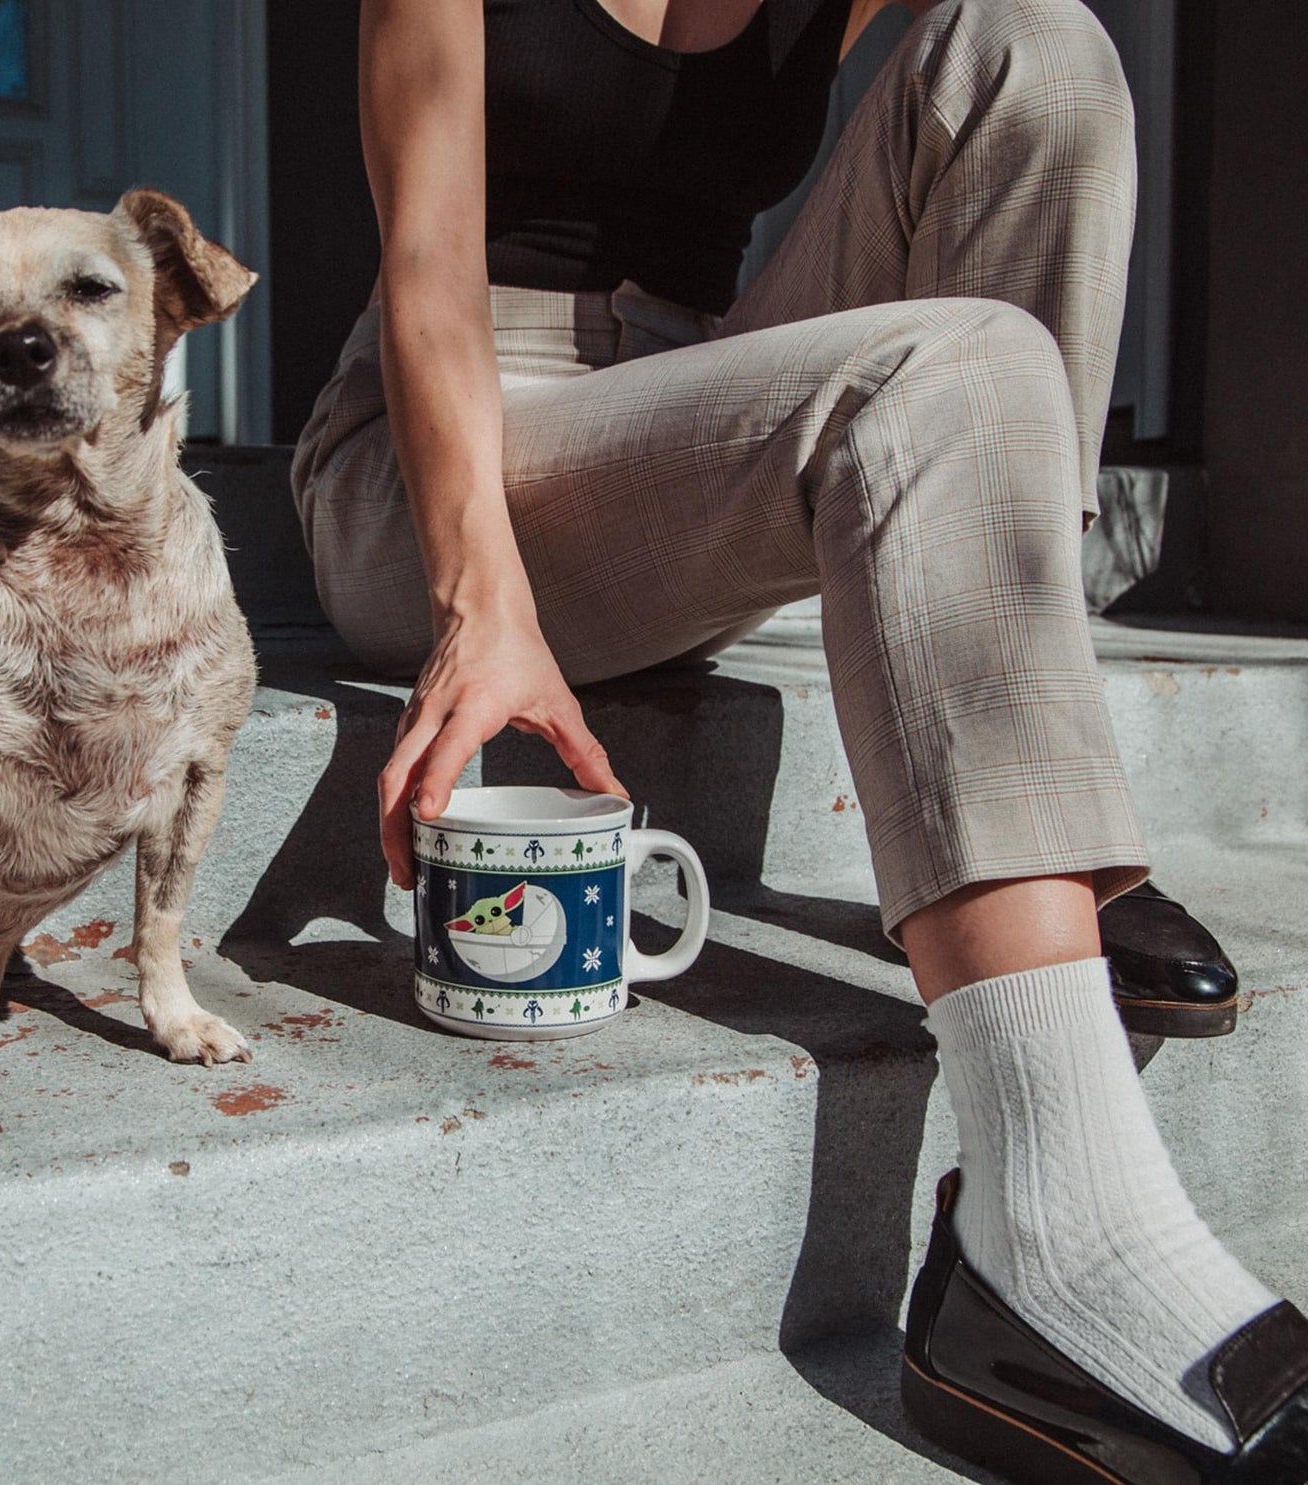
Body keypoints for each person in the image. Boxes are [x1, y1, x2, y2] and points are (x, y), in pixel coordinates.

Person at [289, 0, 1308, 1478]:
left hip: (684, 394)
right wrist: (483, 606)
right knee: (945, 369)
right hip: (444, 451)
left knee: (1042, 48)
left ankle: (1034, 794)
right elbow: (426, 280)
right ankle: (1059, 1239)